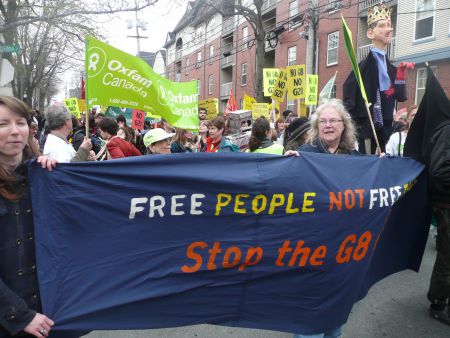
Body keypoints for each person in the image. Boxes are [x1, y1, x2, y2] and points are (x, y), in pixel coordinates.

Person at [292, 99, 361, 338]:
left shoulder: (356, 158)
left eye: (333, 120)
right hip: (311, 246)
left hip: (342, 249)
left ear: (344, 125)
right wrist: (287, 165)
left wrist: (381, 168)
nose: (328, 125)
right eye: (323, 121)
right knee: (308, 314)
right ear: (316, 126)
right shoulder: (304, 154)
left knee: (335, 313)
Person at [0, 96, 58, 337]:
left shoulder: (41, 177)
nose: (15, 131)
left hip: (46, 315)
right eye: (3, 124)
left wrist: (55, 178)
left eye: (20, 122)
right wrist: (19, 315)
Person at [343, 3, 408, 154]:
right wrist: (355, 121)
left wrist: (401, 76)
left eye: (389, 25)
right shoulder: (362, 67)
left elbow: (400, 96)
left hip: (386, 127)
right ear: (370, 33)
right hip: (366, 127)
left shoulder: (391, 69)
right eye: (382, 26)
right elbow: (349, 94)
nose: (389, 29)